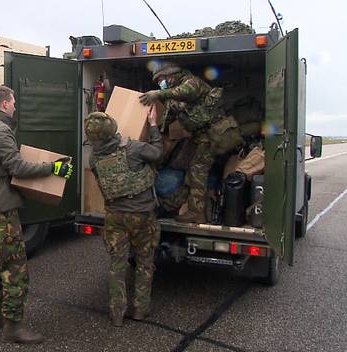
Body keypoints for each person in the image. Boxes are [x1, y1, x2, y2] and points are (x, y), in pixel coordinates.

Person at [0, 85, 73, 344]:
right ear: (5, 103)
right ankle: (13, 327)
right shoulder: (1, 131)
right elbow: (16, 166)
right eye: (14, 102)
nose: (15, 106)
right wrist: (53, 168)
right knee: (16, 268)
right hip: (0, 207)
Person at [85, 111, 163, 327]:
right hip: (142, 215)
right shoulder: (133, 148)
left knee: (117, 265)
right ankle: (140, 309)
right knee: (145, 262)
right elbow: (157, 153)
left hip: (115, 217)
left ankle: (117, 314)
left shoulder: (94, 158)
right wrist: (153, 125)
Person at [140, 63, 242, 223]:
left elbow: (186, 92)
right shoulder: (172, 97)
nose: (160, 83)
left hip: (213, 133)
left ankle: (197, 213)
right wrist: (149, 128)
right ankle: (172, 205)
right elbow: (167, 119)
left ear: (170, 75)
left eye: (161, 79)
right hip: (199, 136)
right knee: (184, 166)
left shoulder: (191, 82)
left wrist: (158, 94)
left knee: (197, 169)